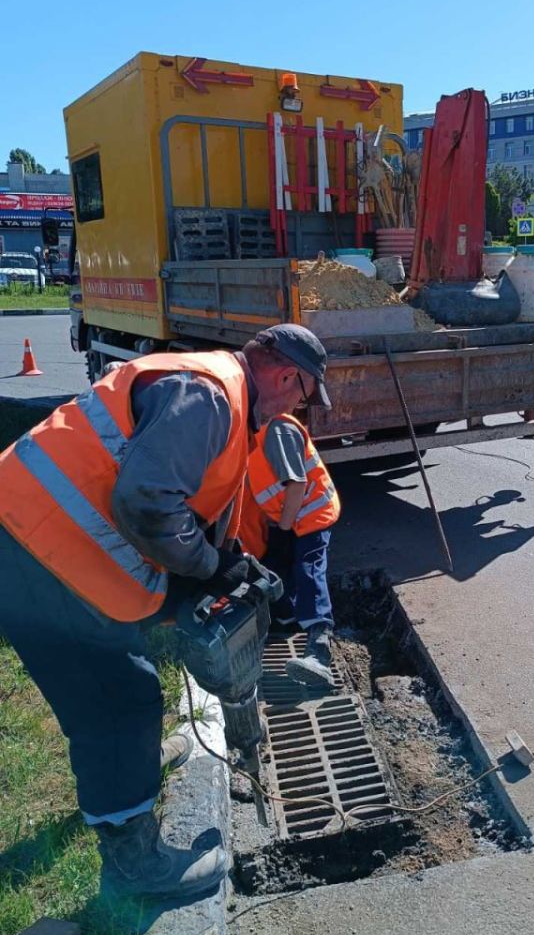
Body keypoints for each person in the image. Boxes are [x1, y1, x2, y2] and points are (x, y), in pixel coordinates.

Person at [0, 323, 330, 901]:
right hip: (34, 552)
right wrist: (207, 568)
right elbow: (146, 502)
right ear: (285, 375)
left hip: (41, 543)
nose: (299, 409)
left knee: (119, 691)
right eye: (303, 395)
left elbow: (183, 501)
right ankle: (133, 862)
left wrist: (227, 562)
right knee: (119, 700)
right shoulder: (209, 397)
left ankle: (133, 767)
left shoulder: (219, 397)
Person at [238, 409, 341, 687]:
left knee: (308, 570)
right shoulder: (249, 431)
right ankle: (287, 620)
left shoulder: (277, 431)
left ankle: (319, 649)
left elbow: (297, 485)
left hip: (310, 515)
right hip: (288, 518)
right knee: (274, 569)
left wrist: (283, 528)